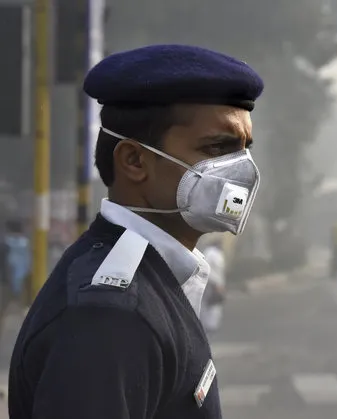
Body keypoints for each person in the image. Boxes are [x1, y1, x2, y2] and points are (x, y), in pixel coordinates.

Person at [9, 44, 263, 419]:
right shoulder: (108, 317)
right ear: (134, 161)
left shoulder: (152, 279)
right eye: (217, 147)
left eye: (243, 148)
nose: (241, 170)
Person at [201, 238, 226, 334]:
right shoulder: (211, 253)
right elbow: (208, 268)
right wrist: (216, 284)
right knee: (211, 304)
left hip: (216, 282)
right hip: (212, 283)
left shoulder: (216, 253)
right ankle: (209, 326)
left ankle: (211, 325)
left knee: (214, 304)